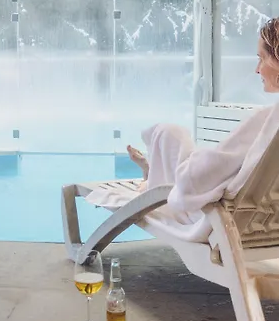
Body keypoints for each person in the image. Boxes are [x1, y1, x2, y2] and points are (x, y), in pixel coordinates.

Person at [118, 18, 279, 223]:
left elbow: (193, 181)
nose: (257, 69)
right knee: (182, 146)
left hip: (212, 218)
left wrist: (193, 165)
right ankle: (153, 173)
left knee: (170, 133)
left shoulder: (268, 121)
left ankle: (153, 175)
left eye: (262, 58)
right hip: (260, 218)